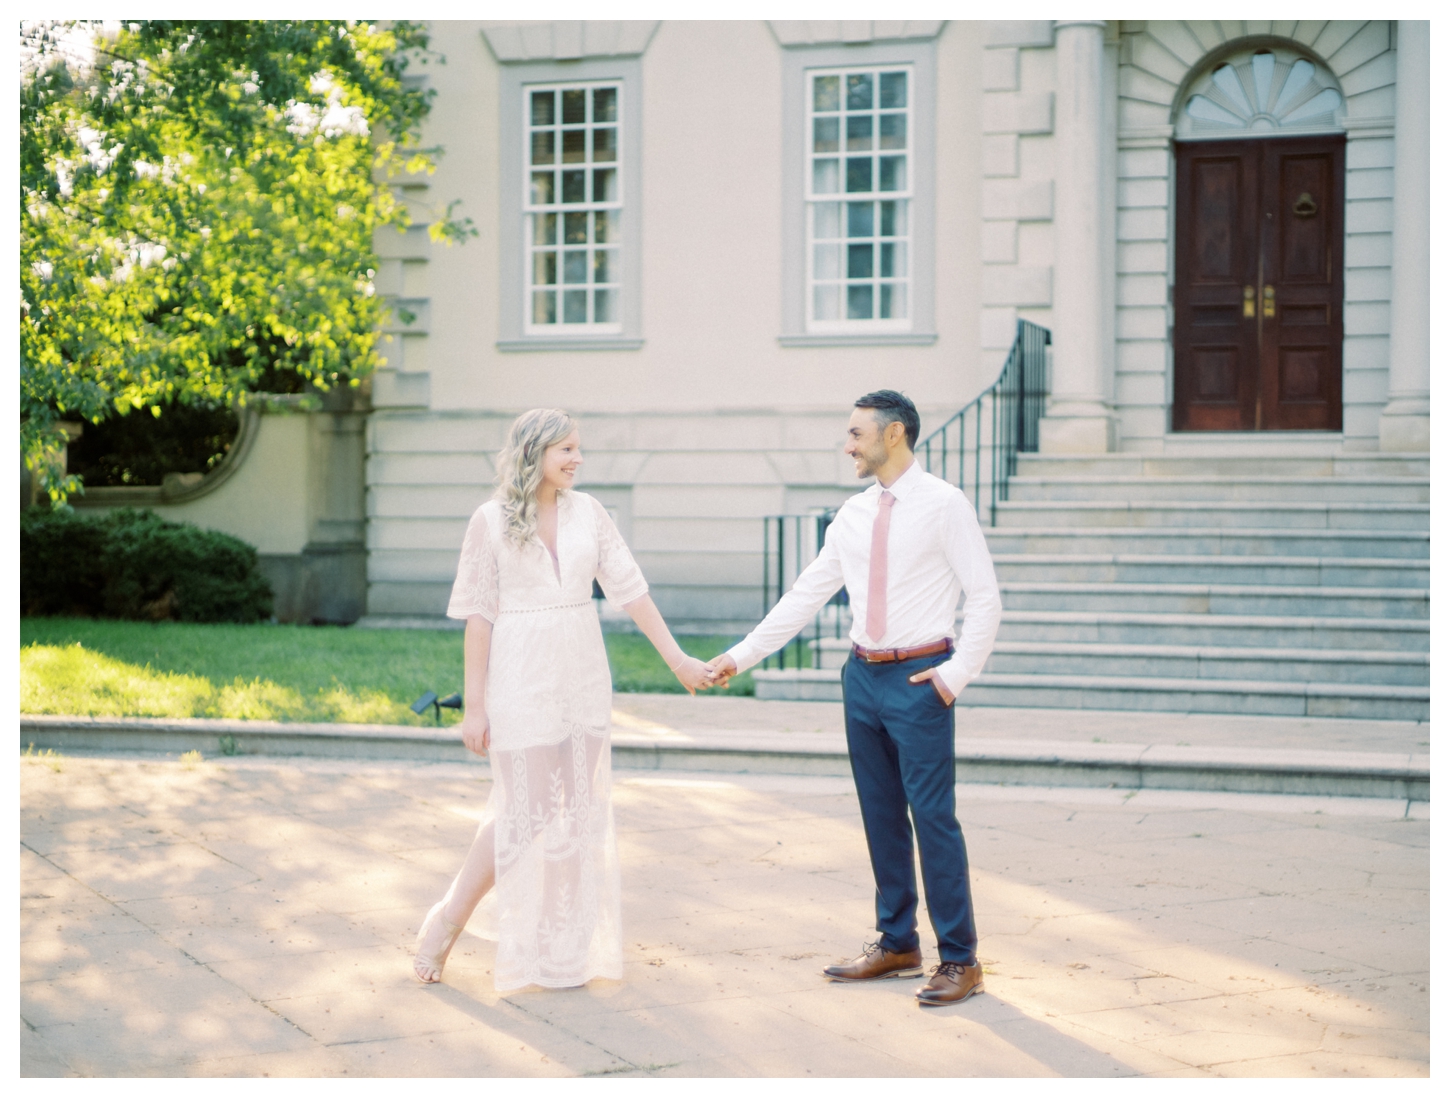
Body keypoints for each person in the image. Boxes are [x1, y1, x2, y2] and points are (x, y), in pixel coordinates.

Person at [705, 390, 1001, 1006]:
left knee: (934, 820)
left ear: (894, 434)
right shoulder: (853, 513)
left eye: (856, 434)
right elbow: (805, 594)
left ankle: (960, 959)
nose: (848, 446)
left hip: (921, 678)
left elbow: (986, 597)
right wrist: (739, 656)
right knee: (880, 815)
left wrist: (955, 676)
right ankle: (897, 942)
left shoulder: (946, 505)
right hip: (861, 678)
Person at [413, 408, 714, 989]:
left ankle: (560, 944)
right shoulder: (489, 521)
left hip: (582, 671)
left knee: (576, 813)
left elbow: (631, 591)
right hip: (519, 673)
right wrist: (474, 707)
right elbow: (478, 619)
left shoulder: (591, 513)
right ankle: (448, 919)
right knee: (521, 813)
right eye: (566, 450)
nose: (578, 459)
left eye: (579, 449)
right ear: (535, 453)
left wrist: (678, 661)